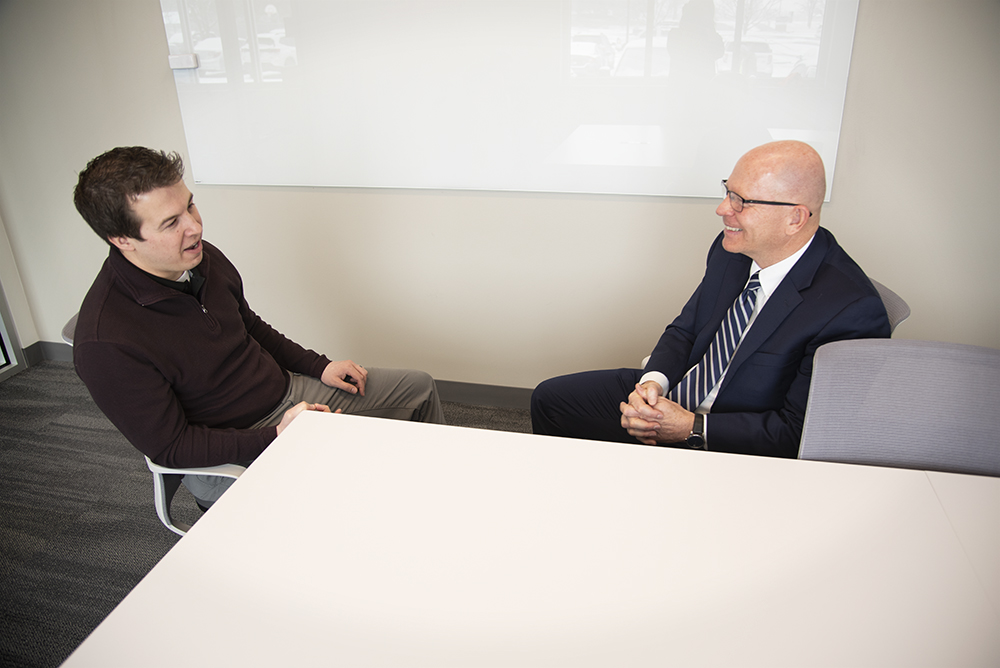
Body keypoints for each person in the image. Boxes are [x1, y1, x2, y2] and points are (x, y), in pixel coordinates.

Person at [72, 147, 445, 507]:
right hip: (227, 454)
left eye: (189, 205)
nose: (195, 226)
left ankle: (437, 491)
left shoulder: (200, 258)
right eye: (171, 223)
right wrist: (277, 435)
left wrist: (320, 367)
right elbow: (172, 447)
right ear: (122, 239)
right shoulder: (105, 342)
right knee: (354, 491)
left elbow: (248, 325)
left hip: (288, 395)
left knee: (419, 389)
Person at [531, 140, 890, 458]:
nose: (723, 209)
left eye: (742, 201)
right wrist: (652, 386)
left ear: (795, 218)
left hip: (731, 438)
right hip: (678, 393)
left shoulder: (852, 311)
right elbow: (685, 330)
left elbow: (800, 433)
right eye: (727, 191)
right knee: (552, 400)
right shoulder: (732, 251)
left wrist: (691, 427)